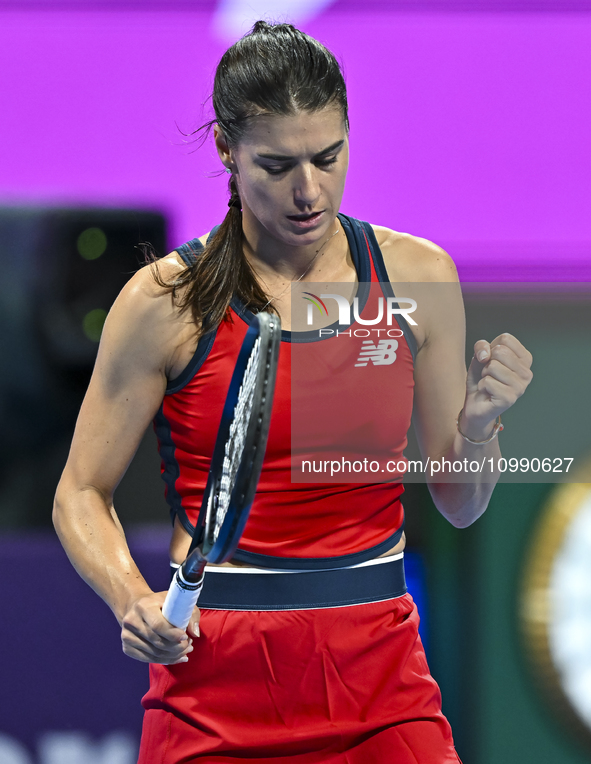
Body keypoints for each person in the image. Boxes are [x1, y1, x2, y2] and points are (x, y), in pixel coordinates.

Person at [53, 21, 533, 763]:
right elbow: (80, 492)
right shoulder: (160, 303)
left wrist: (477, 429)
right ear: (226, 151)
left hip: (381, 686)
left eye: (327, 157)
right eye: (277, 166)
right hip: (212, 692)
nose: (309, 191)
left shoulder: (420, 276)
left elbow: (459, 504)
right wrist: (130, 597)